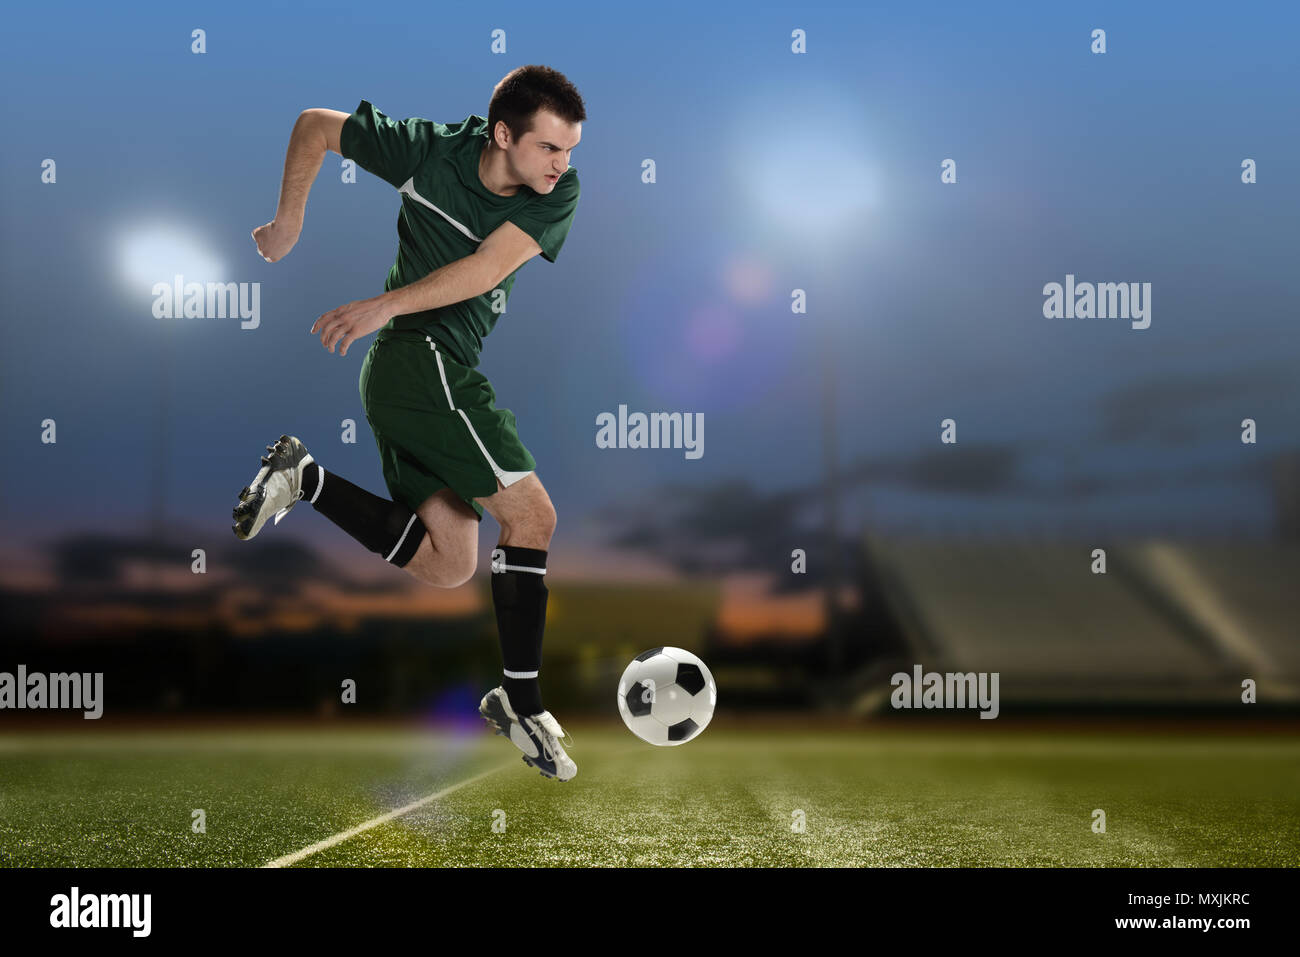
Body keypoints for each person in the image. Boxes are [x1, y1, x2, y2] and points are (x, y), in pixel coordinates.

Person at [232, 65, 585, 781]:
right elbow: (315, 126)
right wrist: (289, 221)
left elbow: (486, 269)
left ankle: (305, 477)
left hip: (413, 371)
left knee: (449, 563)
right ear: (503, 135)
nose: (562, 164)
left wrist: (384, 305)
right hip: (422, 365)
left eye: (570, 149)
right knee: (532, 517)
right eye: (549, 147)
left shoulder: (558, 193)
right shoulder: (427, 151)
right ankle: (521, 703)